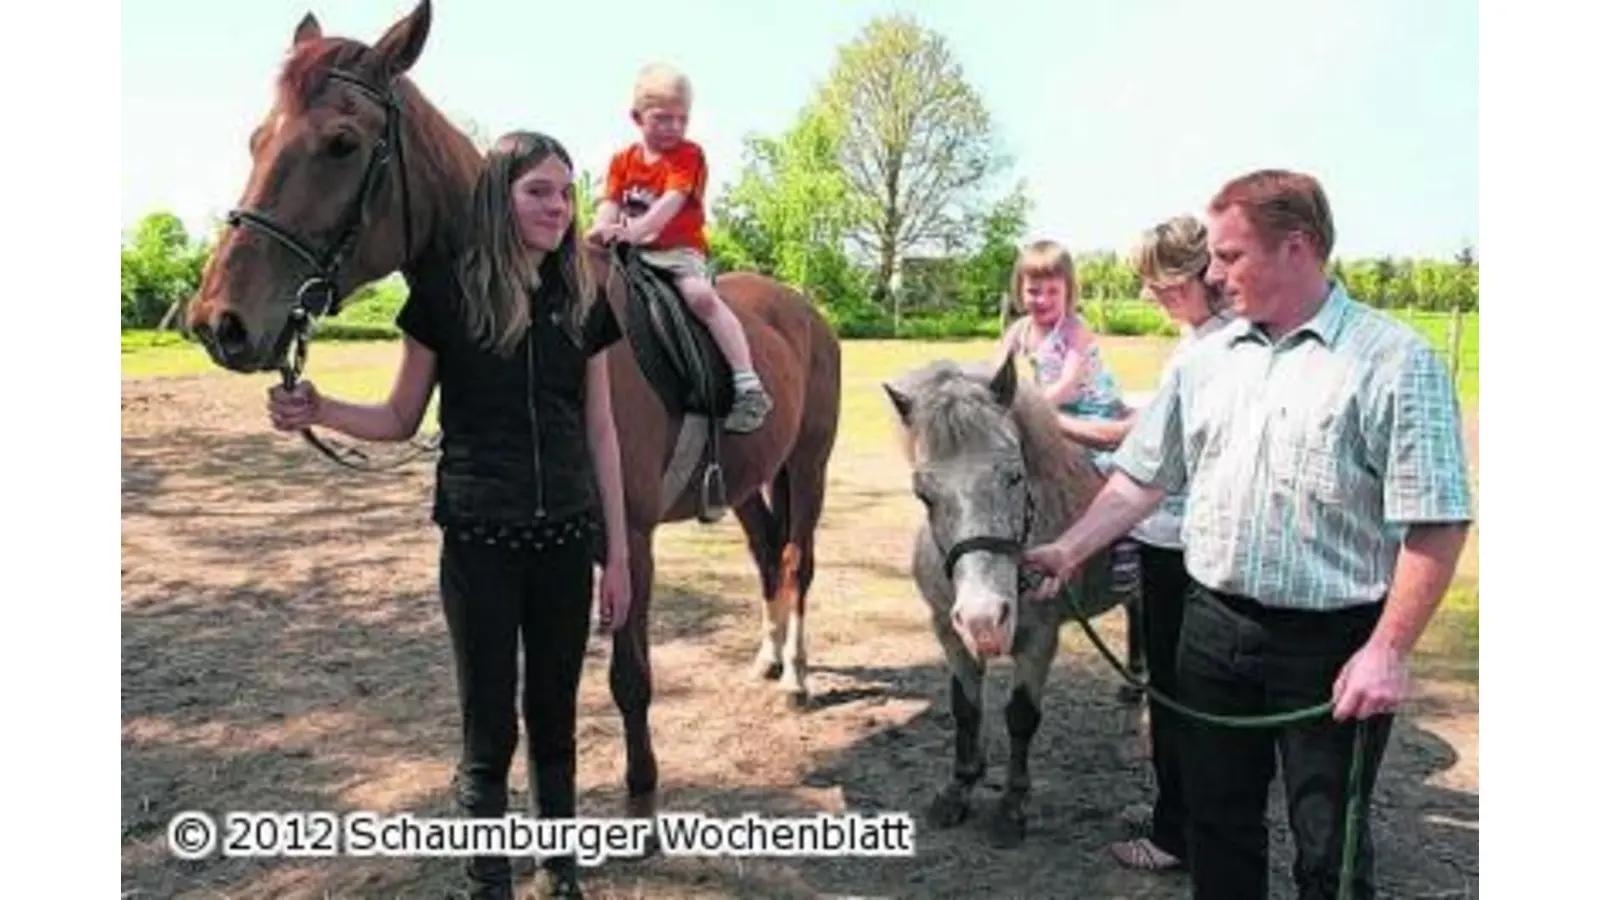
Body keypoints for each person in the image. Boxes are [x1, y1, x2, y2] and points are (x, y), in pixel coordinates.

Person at [1021, 170, 1473, 900]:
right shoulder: (1203, 361)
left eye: (1229, 256)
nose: (1213, 272)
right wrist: (1069, 549)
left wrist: (1387, 651)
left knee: (1329, 850)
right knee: (1219, 830)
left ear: (1296, 247)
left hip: (1335, 643)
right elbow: (1141, 478)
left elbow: (1438, 518)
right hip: (1212, 629)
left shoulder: (1395, 361)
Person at [267, 131, 630, 900]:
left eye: (566, 192)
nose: (557, 207)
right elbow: (401, 417)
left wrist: (619, 555)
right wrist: (318, 407)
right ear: (500, 195)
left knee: (556, 719)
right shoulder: (445, 297)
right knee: (488, 727)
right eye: (538, 190)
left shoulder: (585, 300)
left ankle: (560, 871)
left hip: (566, 540)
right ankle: (487, 882)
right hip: (480, 544)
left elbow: (601, 430)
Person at [1053, 215, 1235, 875]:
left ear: (1200, 275)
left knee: (1177, 696)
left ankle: (1175, 833)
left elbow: (1142, 449)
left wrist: (1054, 422)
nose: (1154, 295)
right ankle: (1180, 814)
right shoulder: (1201, 340)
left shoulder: (1208, 348)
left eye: (1165, 283)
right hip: (1178, 538)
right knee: (1176, 692)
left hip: (1177, 544)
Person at [586, 61, 773, 433]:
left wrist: (637, 229)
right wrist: (599, 228)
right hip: (632, 253)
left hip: (678, 252)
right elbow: (611, 200)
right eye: (662, 118)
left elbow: (671, 202)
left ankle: (747, 382)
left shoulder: (688, 156)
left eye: (681, 119)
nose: (673, 127)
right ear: (637, 118)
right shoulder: (623, 161)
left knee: (701, 297)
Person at [994, 239, 1143, 647]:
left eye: (1051, 291)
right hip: (1040, 417)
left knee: (1112, 471)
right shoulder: (1017, 332)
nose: (1041, 299)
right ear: (1018, 290)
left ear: (1068, 291)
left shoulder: (1074, 330)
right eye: (1032, 290)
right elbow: (996, 375)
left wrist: (1030, 405)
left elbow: (1068, 383)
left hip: (1088, 412)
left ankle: (1128, 543)